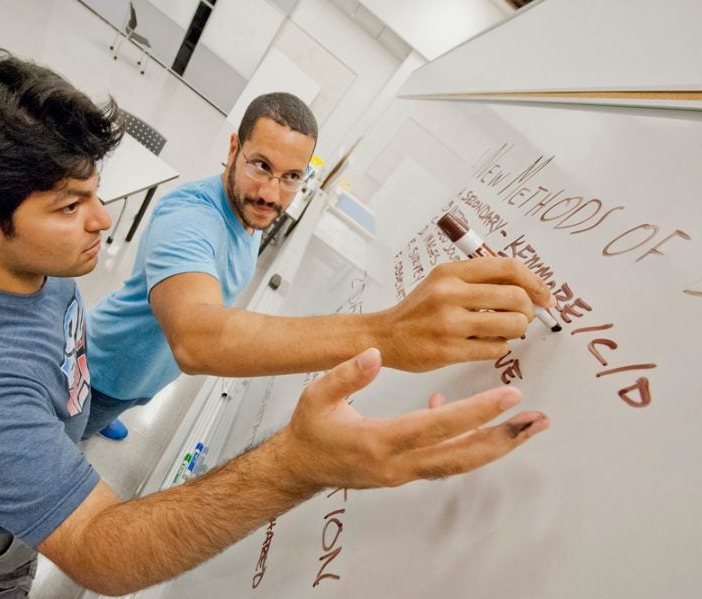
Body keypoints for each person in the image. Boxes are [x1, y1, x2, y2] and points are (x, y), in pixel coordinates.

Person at [0, 47, 549, 598]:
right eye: (68, 205)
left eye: (93, 190)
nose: (105, 220)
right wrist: (300, 461)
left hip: (42, 420)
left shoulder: (30, 261)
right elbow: (100, 549)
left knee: (23, 460)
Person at [84, 92, 555, 440]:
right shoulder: (189, 217)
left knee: (128, 398)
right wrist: (387, 335)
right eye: (260, 166)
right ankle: (94, 420)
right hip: (98, 372)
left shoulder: (249, 215)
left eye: (292, 177)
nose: (272, 193)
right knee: (67, 443)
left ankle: (115, 411)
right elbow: (195, 337)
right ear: (232, 149)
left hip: (143, 377)